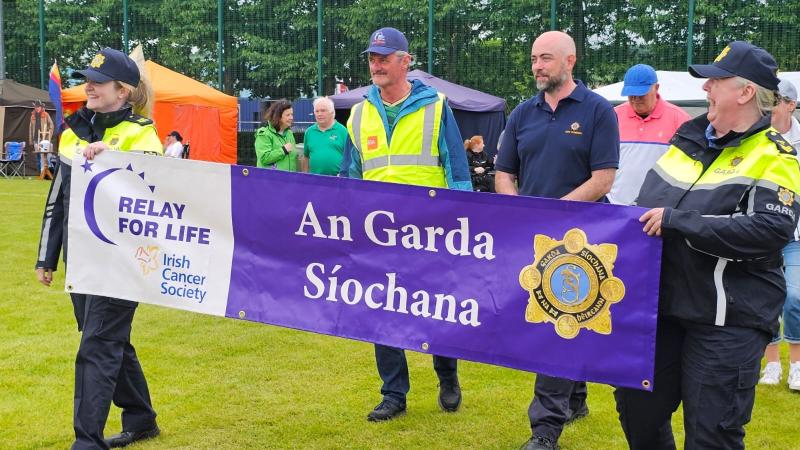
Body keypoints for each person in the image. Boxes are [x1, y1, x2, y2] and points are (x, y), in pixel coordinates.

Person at [614, 41, 800, 450]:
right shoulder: (687, 141)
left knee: (711, 434)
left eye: (715, 82)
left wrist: (680, 222)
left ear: (746, 92)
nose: (705, 90)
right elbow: (644, 213)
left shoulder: (776, 155)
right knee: (636, 412)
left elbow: (771, 230)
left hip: (728, 321)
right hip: (662, 308)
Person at [494, 31, 619, 450]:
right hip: (532, 237)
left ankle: (545, 430)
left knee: (558, 324)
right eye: (533, 59)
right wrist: (518, 210)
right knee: (566, 322)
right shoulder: (521, 114)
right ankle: (577, 397)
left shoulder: (599, 110)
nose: (536, 66)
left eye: (545, 58)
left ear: (570, 61)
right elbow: (503, 172)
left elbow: (603, 178)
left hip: (581, 238)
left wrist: (557, 214)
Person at [340, 26, 472, 422]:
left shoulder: (437, 106)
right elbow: (351, 176)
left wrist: (460, 225)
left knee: (437, 310)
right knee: (382, 311)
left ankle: (447, 377)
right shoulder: (360, 113)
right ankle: (393, 394)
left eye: (384, 58)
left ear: (405, 62)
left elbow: (457, 169)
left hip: (431, 233)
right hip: (378, 235)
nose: (376, 65)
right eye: (372, 58)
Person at [34, 48, 163, 449]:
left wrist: (118, 158)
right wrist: (46, 256)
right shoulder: (72, 132)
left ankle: (87, 441)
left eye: (98, 81)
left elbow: (160, 181)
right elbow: (59, 197)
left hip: (123, 260)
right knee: (107, 338)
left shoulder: (143, 132)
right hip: (81, 260)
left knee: (98, 344)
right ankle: (141, 419)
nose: (87, 85)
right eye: (86, 78)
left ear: (123, 91)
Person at [759, 77, 800, 390]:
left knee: (794, 298)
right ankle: (772, 363)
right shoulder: (758, 138)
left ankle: (796, 365)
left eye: (777, 101)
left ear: (791, 105)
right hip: (762, 231)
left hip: (795, 234)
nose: (771, 107)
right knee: (766, 298)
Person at [609, 64, 690, 205]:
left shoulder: (680, 119)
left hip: (657, 210)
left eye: (641, 94)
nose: (635, 99)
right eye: (631, 95)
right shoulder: (612, 116)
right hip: (616, 205)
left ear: (656, 88)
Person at [301, 96, 348, 175]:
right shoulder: (309, 132)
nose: (319, 114)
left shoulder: (343, 131)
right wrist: (304, 177)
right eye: (317, 111)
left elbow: (349, 158)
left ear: (332, 112)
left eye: (323, 111)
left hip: (337, 181)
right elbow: (306, 157)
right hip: (315, 181)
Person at [255, 99, 298, 171]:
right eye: (288, 115)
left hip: (290, 179)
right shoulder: (264, 134)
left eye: (292, 114)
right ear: (278, 117)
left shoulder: (289, 133)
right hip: (271, 180)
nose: (291, 118)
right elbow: (264, 158)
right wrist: (283, 150)